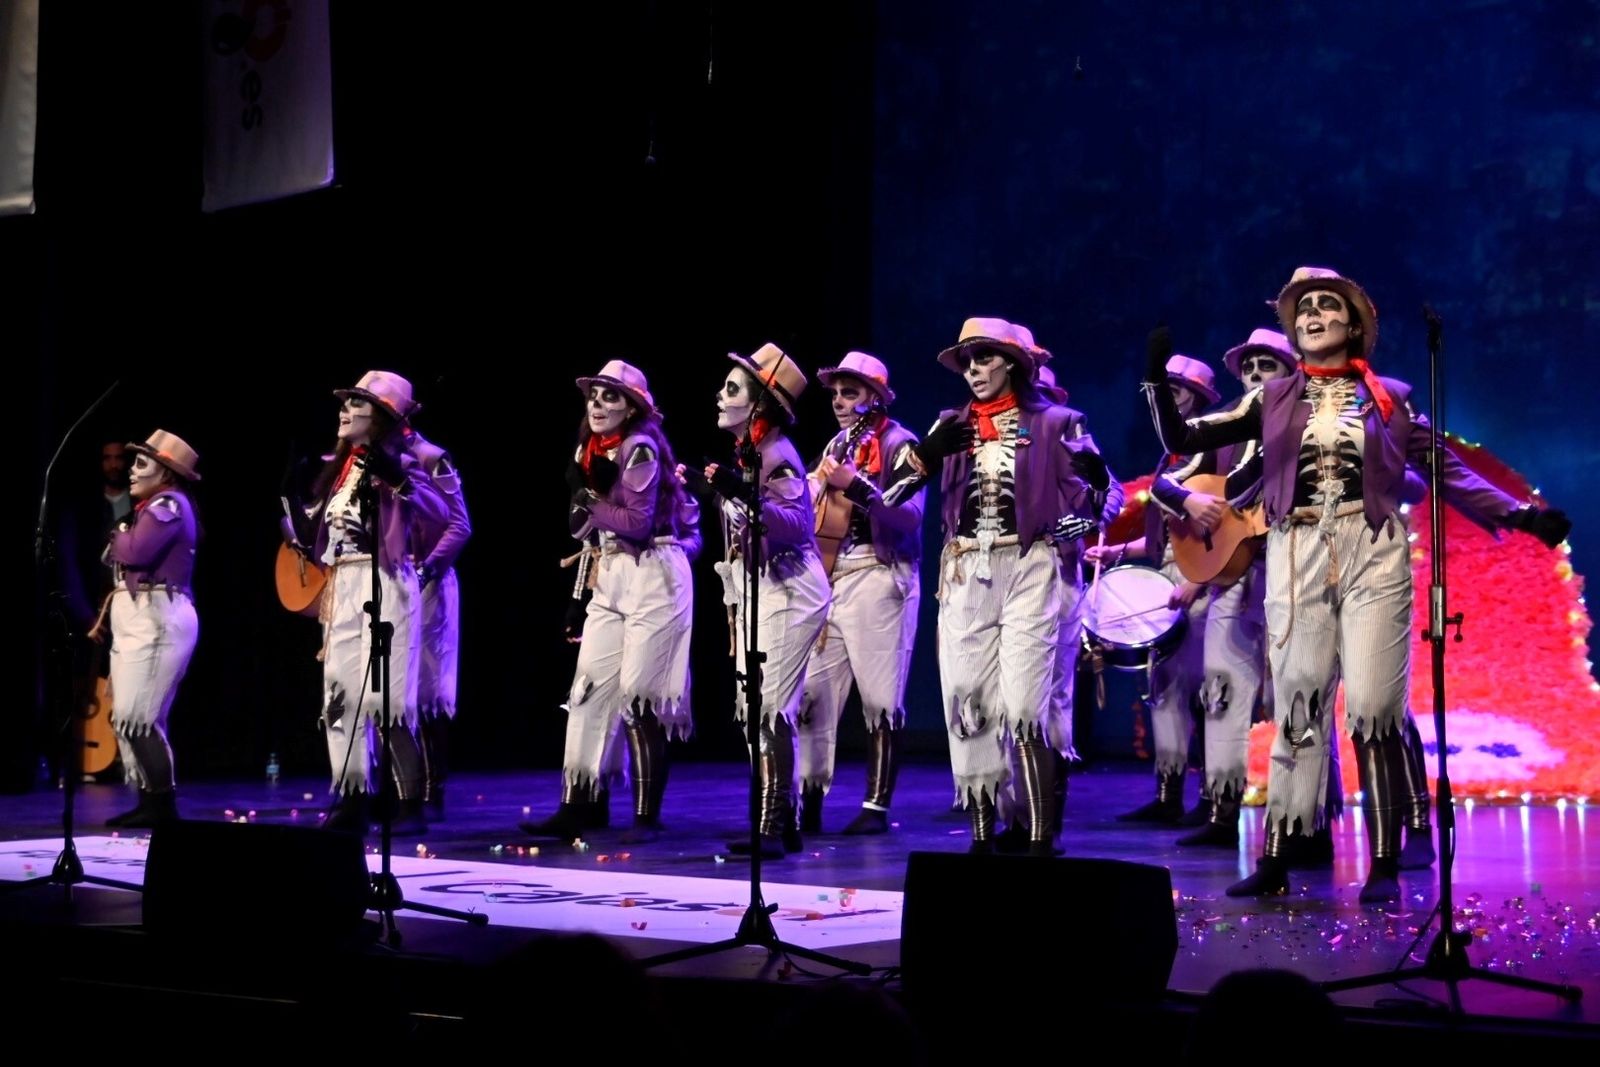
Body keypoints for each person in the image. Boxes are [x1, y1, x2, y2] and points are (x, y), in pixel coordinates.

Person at [1145, 266, 1571, 902]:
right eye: (1305, 308)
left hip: (1372, 547)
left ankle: (1384, 862)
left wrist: (1521, 515)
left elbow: (1443, 467)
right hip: (1297, 548)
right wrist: (1155, 379)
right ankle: (1278, 856)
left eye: (1328, 306)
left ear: (1353, 325)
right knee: (1298, 699)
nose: (1314, 315)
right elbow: (1185, 437)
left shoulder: (1390, 394)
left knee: (1374, 706)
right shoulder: (1273, 396)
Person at [904, 317, 1110, 855]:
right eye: (968, 360)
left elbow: (1098, 505)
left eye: (986, 357)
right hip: (966, 569)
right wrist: (927, 454)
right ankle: (981, 834)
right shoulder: (949, 425)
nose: (973, 369)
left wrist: (1058, 531)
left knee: (1026, 701)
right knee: (967, 697)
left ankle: (1039, 836)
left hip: (1033, 567)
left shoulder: (1060, 421)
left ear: (1014, 364)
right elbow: (890, 494)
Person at [521, 360, 697, 844]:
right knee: (588, 688)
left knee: (641, 696)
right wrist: (584, 498)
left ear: (633, 407)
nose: (597, 405)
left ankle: (646, 817)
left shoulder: (640, 448)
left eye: (610, 397)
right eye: (593, 396)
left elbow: (637, 522)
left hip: (654, 573)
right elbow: (585, 529)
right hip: (612, 570)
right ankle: (578, 804)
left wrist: (589, 498)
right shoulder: (590, 449)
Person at [679, 343, 830, 858]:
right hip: (762, 589)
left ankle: (770, 827)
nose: (719, 395)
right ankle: (781, 822)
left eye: (732, 388)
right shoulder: (752, 453)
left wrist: (738, 493)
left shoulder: (777, 455)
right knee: (755, 708)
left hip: (791, 589)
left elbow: (794, 525)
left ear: (761, 403)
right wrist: (712, 489)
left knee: (768, 708)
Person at [296, 371, 447, 836]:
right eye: (346, 404)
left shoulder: (405, 461)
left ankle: (410, 803)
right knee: (338, 697)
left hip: (387, 582)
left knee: (386, 700)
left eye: (357, 405)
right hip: (343, 584)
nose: (344, 412)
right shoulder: (342, 465)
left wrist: (400, 482)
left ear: (380, 418)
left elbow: (442, 516)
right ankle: (351, 796)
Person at [1085, 354, 1221, 826]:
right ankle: (1168, 795)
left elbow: (1230, 531)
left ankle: (1213, 801)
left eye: (1177, 391)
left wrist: (1195, 580)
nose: (1166, 400)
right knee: (1164, 691)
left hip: (1207, 582)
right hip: (1170, 579)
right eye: (1162, 392)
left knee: (1208, 695)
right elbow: (1166, 539)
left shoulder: (1217, 449)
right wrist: (1118, 552)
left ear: (1199, 399)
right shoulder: (1172, 455)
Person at [795, 351, 924, 836]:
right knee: (813, 694)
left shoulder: (900, 443)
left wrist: (860, 488)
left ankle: (875, 807)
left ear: (874, 398)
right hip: (834, 577)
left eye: (850, 393)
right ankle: (808, 802)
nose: (839, 402)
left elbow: (910, 514)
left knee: (880, 697)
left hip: (879, 573)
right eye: (835, 394)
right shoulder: (835, 444)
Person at [94, 431, 202, 827]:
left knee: (139, 715)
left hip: (160, 618)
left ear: (168, 473)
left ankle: (163, 807)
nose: (132, 471)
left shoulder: (170, 504)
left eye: (143, 464)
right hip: (137, 617)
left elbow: (136, 551)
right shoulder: (149, 507)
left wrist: (120, 535)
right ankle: (147, 800)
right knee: (125, 716)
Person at [403, 423, 472, 821]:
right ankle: (401, 788)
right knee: (394, 688)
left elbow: (460, 524)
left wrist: (427, 569)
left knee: (428, 687)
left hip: (427, 579)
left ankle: (432, 791)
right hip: (390, 579)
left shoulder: (431, 458)